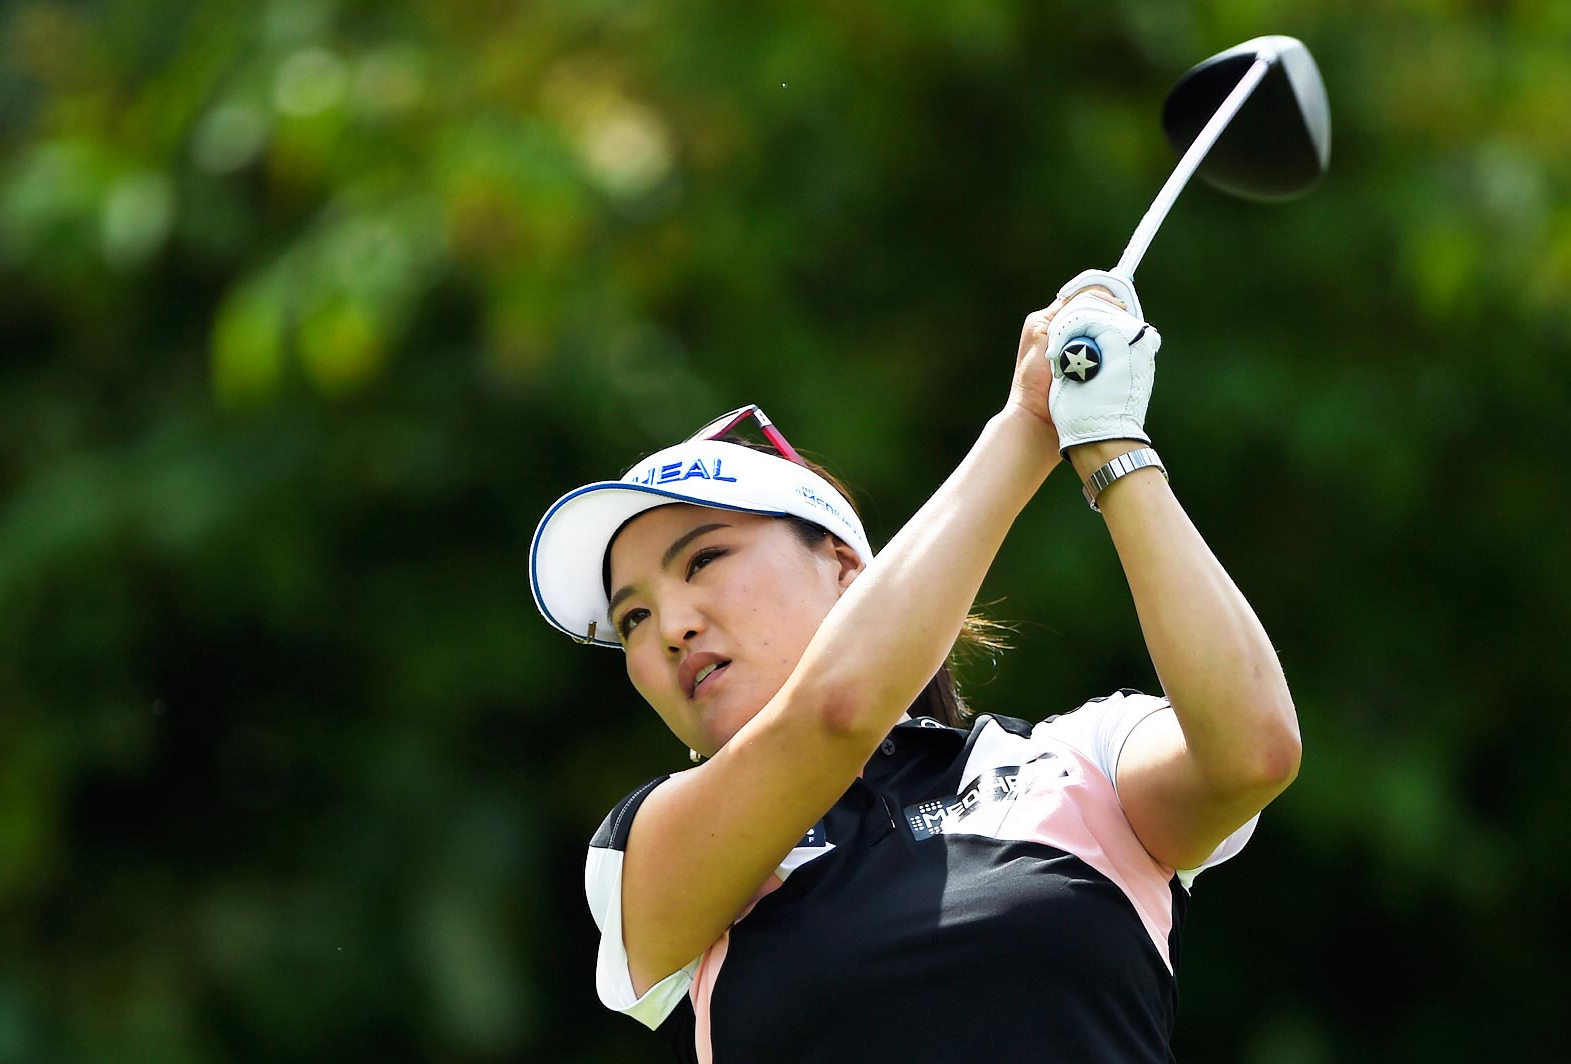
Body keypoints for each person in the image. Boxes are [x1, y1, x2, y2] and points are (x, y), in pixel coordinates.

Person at [528, 273, 1301, 1062]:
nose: (671, 629)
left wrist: (1109, 441)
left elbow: (1253, 755)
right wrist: (1028, 424)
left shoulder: (1079, 761)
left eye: (703, 561)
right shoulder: (643, 855)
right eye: (632, 618)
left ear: (845, 569)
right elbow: (836, 712)